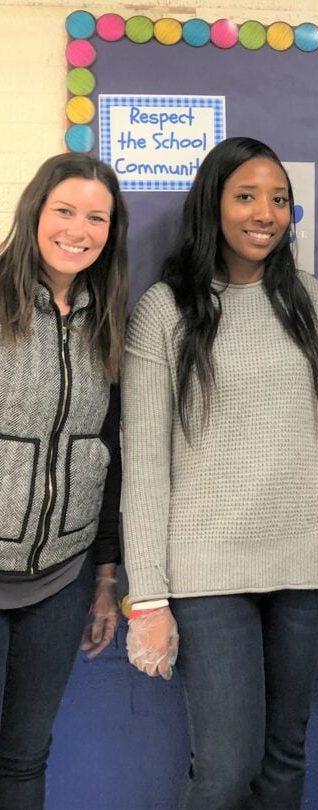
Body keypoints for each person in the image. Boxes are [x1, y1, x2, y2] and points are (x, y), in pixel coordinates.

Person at [121, 136, 318, 809]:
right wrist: (149, 598)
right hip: (209, 573)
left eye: (279, 200)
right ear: (214, 205)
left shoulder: (306, 299)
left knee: (285, 759)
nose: (265, 212)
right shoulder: (165, 311)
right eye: (247, 196)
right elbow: (143, 466)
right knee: (226, 768)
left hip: (305, 563)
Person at [0, 153, 127, 808]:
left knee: (24, 756)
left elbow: (105, 457)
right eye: (65, 211)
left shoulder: (106, 319)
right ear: (35, 212)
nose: (79, 229)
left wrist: (105, 580)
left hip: (60, 579)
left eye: (96, 217)